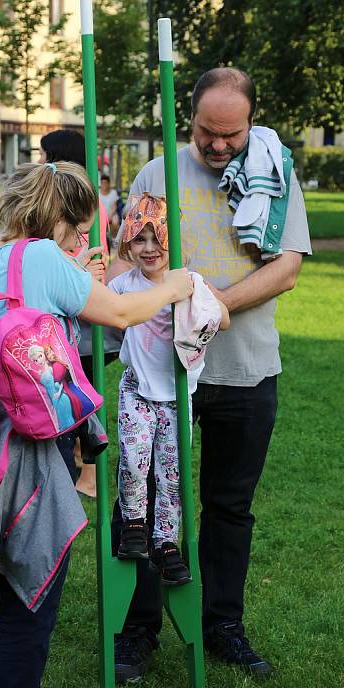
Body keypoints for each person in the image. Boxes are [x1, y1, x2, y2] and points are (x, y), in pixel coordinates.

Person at [0, 160, 193, 688]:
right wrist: (178, 286)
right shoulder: (42, 259)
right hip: (24, 436)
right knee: (31, 580)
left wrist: (73, 273)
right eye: (80, 230)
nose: (83, 242)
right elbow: (119, 314)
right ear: (60, 219)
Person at [112, 67, 312, 685]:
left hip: (244, 371)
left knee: (229, 506)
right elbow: (127, 255)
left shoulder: (274, 173)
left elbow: (286, 268)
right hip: (162, 377)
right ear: (188, 118)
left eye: (232, 133)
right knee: (143, 499)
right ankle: (137, 632)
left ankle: (223, 625)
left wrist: (213, 304)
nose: (219, 145)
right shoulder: (156, 173)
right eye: (207, 132)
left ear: (252, 120)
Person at [110, 193, 229, 585]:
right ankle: (134, 526)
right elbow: (103, 310)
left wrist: (201, 304)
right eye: (139, 239)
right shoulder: (125, 285)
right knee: (133, 459)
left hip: (178, 398)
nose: (149, 248)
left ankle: (166, 543)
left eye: (157, 238)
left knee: (172, 475)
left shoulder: (189, 282)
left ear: (173, 240)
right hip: (138, 391)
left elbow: (224, 319)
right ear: (128, 241)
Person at [38, 129, 121, 495]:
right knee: (77, 394)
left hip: (76, 314)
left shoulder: (79, 204)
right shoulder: (88, 201)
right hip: (77, 306)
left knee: (77, 398)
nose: (39, 163)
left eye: (44, 156)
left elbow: (85, 252)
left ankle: (87, 476)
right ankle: (80, 470)